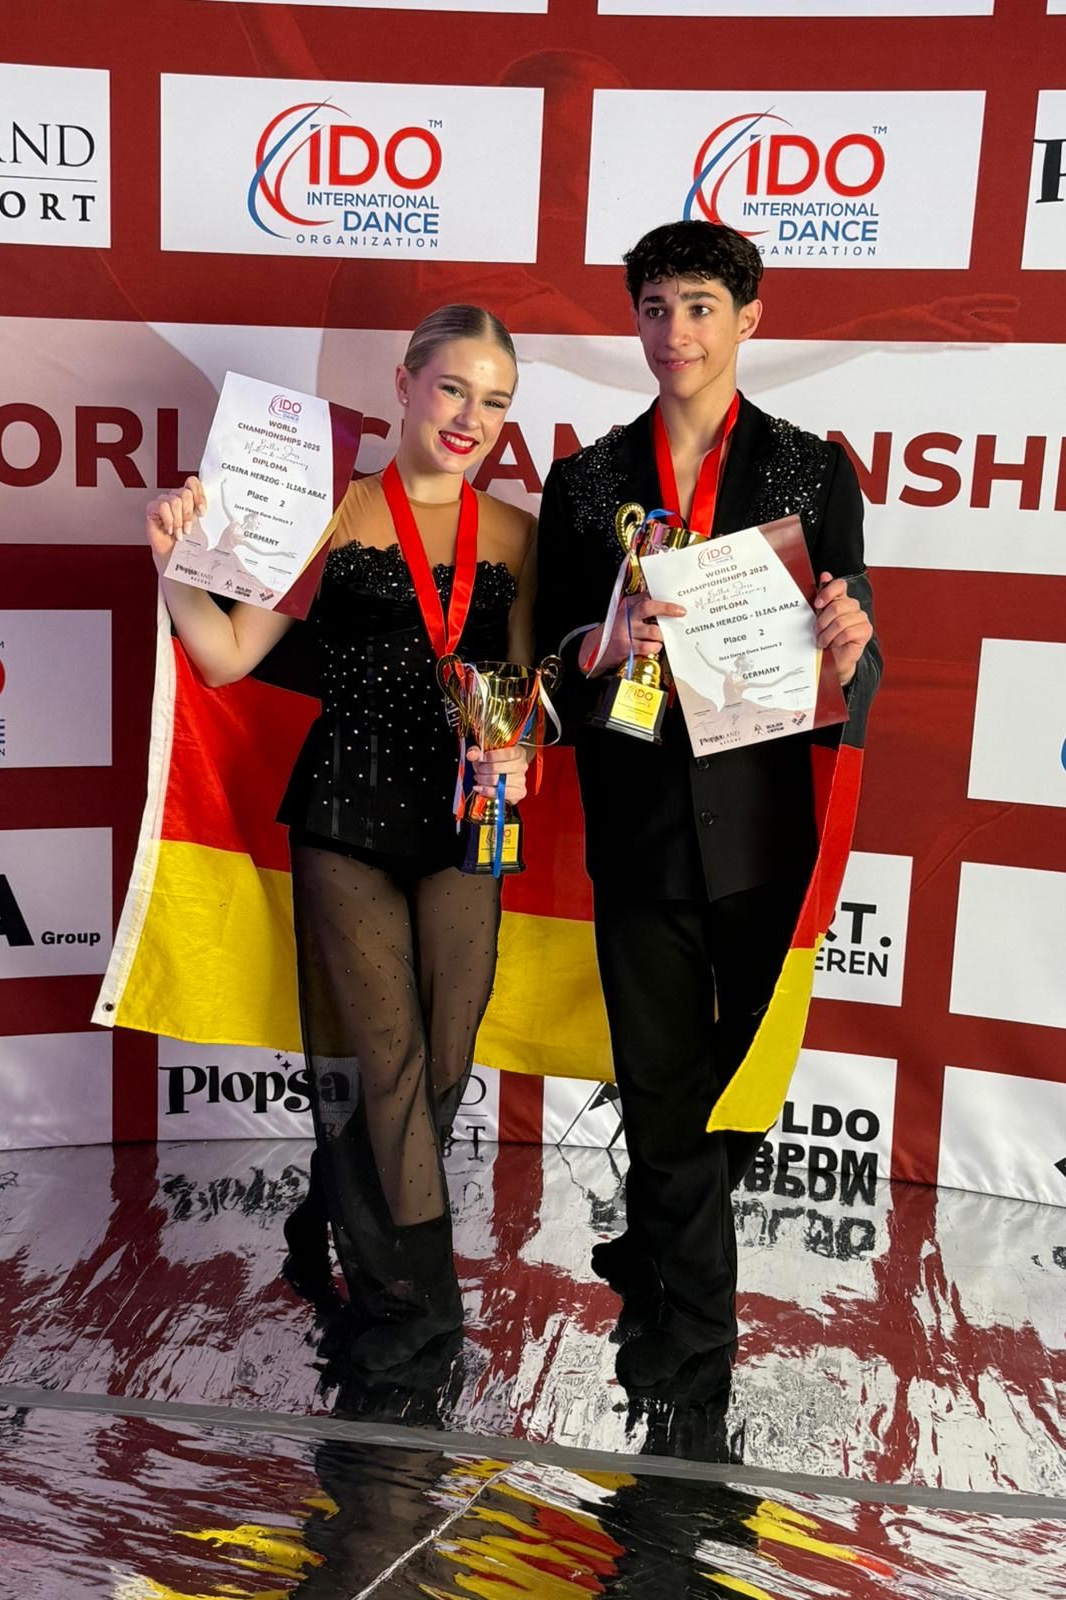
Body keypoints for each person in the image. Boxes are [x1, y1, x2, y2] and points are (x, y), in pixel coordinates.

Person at [146, 305, 536, 1372]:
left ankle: (330, 1206)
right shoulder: (330, 509)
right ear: (405, 382)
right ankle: (416, 1309)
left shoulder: (517, 533)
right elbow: (227, 656)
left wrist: (518, 755)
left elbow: (519, 688)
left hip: (463, 821)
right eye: (452, 387)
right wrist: (176, 565)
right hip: (344, 814)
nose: (470, 417)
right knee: (390, 1062)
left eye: (495, 401)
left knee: (443, 1062)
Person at [533, 220, 882, 1399]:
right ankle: (695, 1346)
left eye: (698, 306)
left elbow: (854, 647)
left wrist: (852, 646)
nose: (673, 331)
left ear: (749, 319)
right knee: (662, 1086)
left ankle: (654, 1240)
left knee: (741, 1087)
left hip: (767, 827)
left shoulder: (811, 470)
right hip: (637, 820)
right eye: (654, 307)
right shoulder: (587, 480)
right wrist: (604, 639)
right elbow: (547, 670)